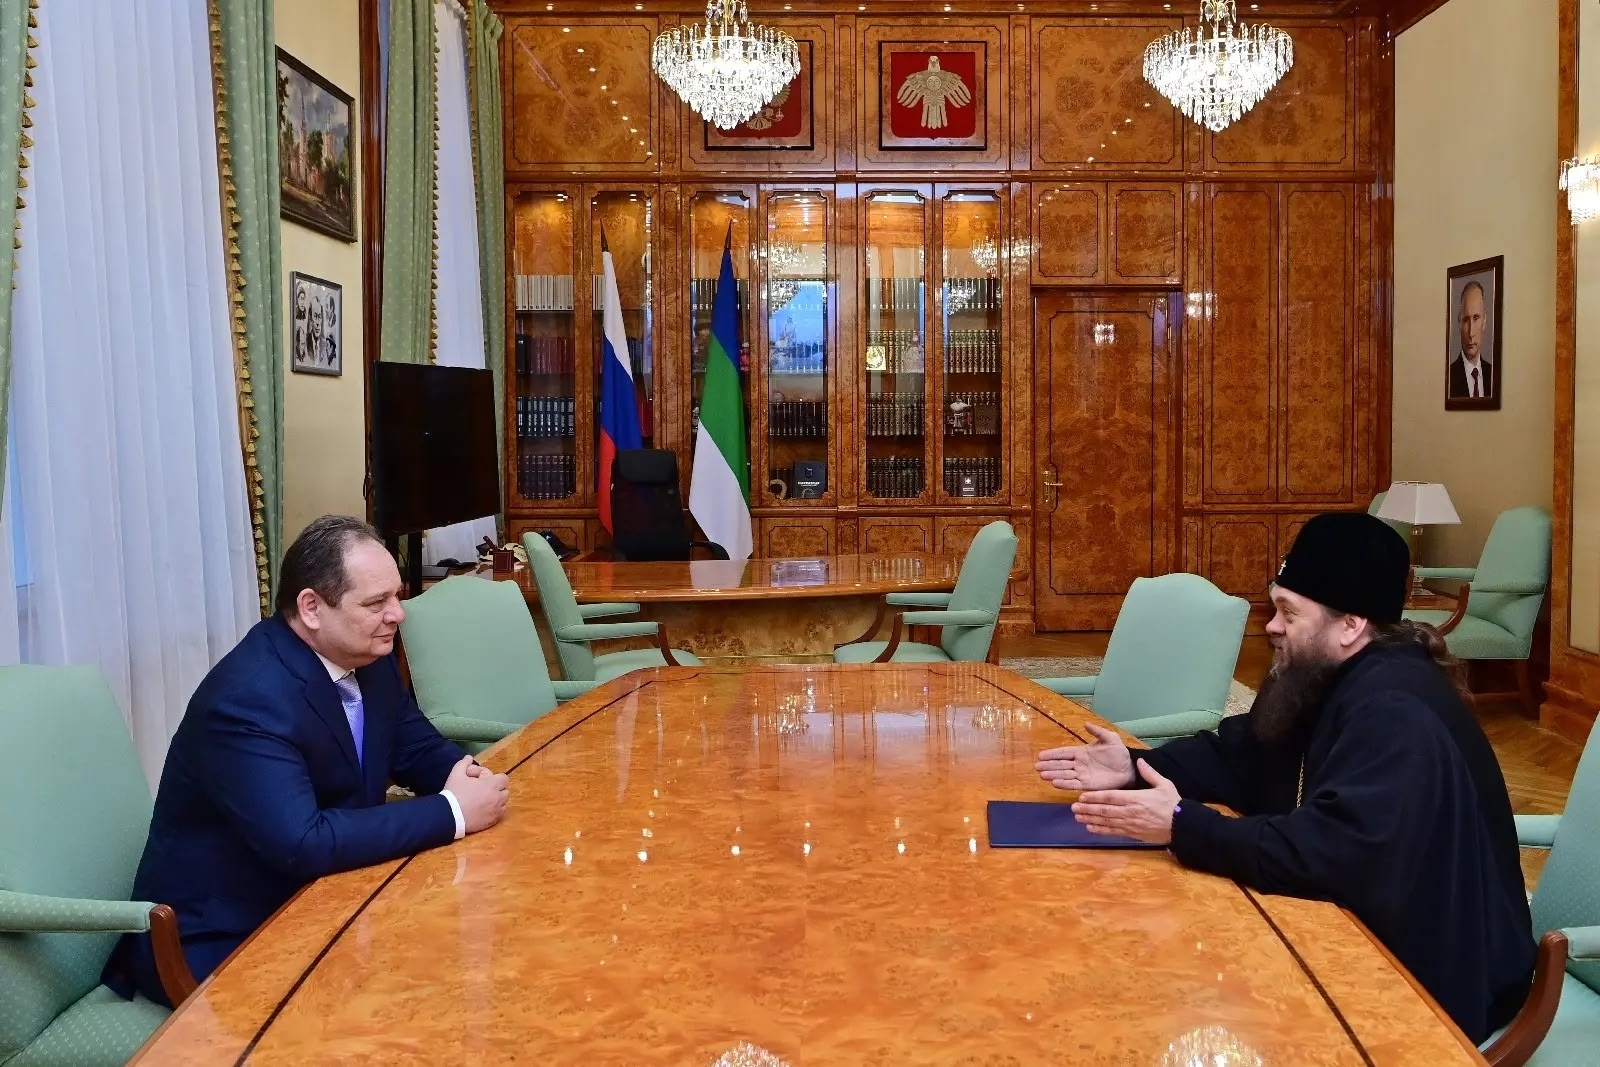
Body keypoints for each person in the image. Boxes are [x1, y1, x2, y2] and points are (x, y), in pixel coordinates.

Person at [1035, 512, 1534, 1045]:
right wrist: (1134, 768)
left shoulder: (1395, 711)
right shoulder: (1329, 673)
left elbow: (1330, 856)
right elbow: (1240, 756)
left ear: (1351, 624)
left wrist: (1182, 824)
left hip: (1434, 986)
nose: (1271, 626)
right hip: (1361, 932)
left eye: (1289, 612)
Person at [104, 515, 510, 1006]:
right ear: (312, 608)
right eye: (376, 603)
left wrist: (465, 777)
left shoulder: (367, 657)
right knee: (405, 999)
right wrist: (455, 811)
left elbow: (415, 747)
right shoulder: (248, 698)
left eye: (397, 597)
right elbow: (302, 842)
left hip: (327, 896)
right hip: (224, 934)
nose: (398, 614)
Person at [1449, 280, 1494, 399]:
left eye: (1476, 318)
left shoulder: (1494, 375)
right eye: (1465, 320)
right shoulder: (1448, 377)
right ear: (1459, 322)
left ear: (1484, 321)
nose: (1470, 333)